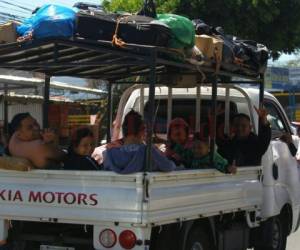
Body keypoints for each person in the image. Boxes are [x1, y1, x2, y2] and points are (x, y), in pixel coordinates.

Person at [103, 110, 176, 174]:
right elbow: (169, 167)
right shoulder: (149, 153)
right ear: (142, 130)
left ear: (124, 130)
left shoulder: (108, 154)